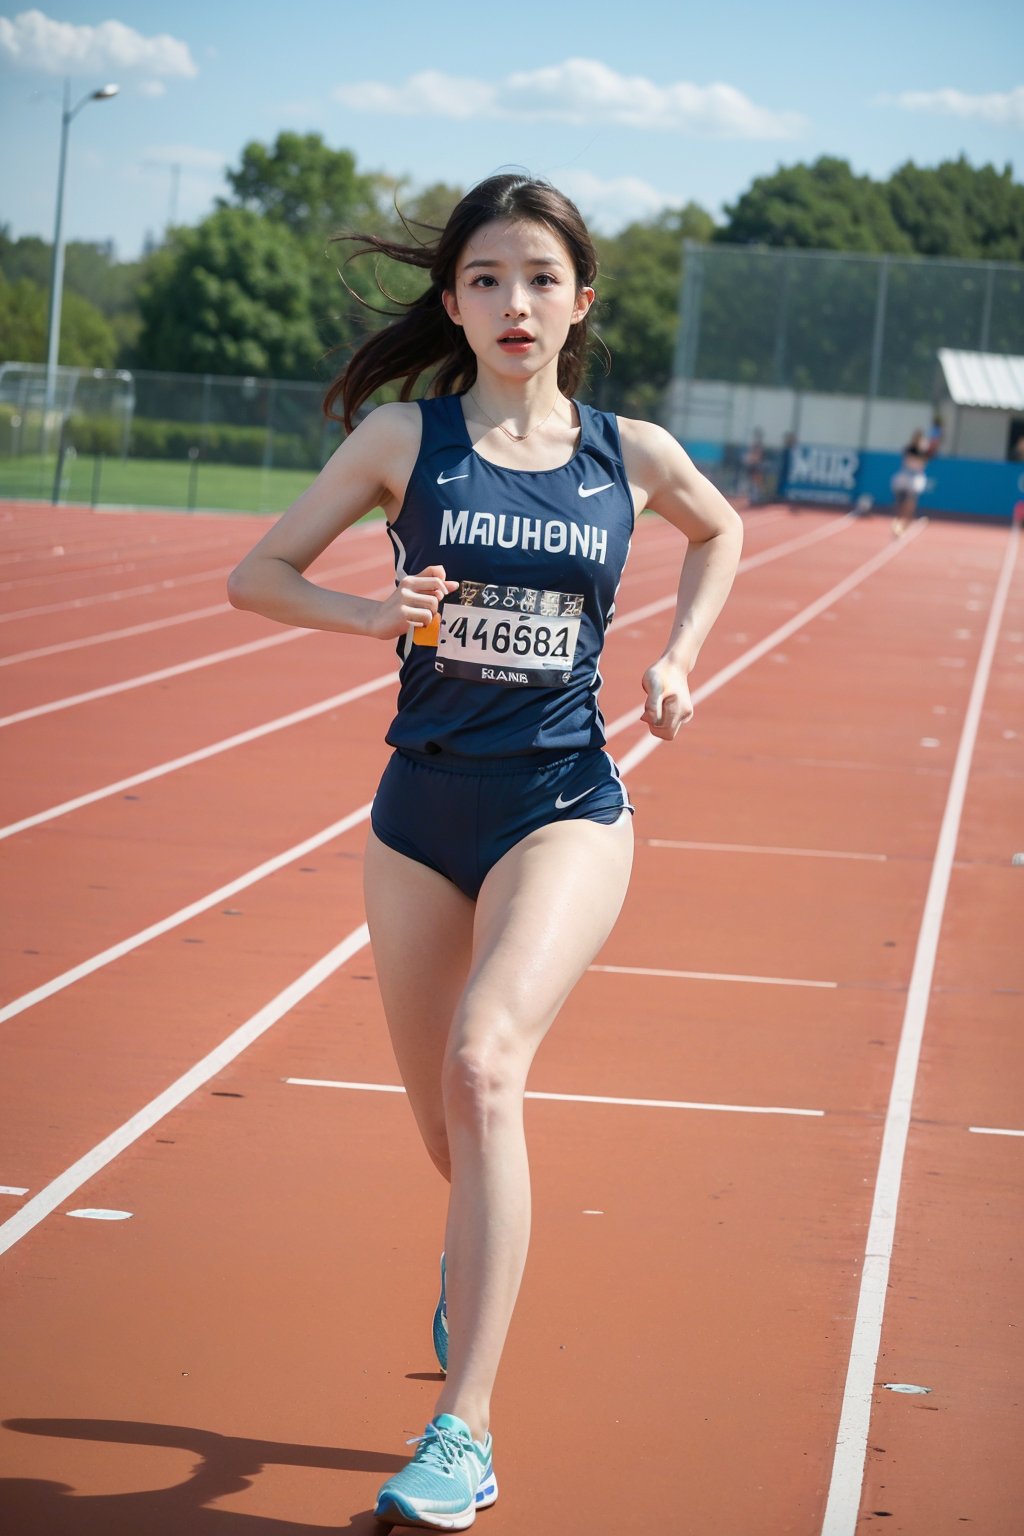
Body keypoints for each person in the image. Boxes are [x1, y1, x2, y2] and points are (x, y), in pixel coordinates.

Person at [227, 173, 743, 1531]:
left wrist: (680, 660)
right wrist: (371, 617)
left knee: (483, 1064)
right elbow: (257, 573)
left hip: (563, 800)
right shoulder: (409, 437)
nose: (515, 303)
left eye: (540, 279)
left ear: (581, 301)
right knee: (446, 1133)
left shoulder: (628, 454)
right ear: (453, 301)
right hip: (418, 813)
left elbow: (721, 529)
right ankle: (473, 1261)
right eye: (486, 280)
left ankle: (465, 1431)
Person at [891, 428, 930, 537]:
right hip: (905, 476)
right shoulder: (910, 449)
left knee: (911, 501)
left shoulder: (923, 451)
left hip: (915, 478)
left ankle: (906, 523)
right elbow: (909, 459)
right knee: (900, 501)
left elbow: (923, 463)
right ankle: (897, 521)